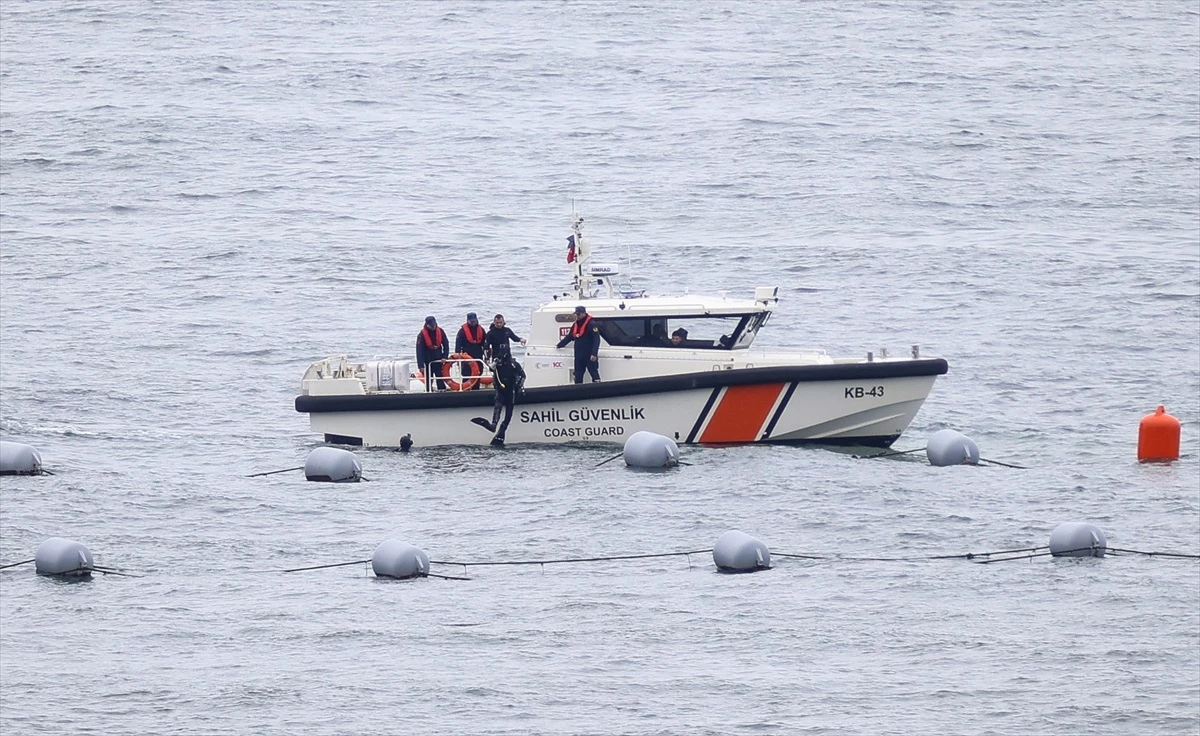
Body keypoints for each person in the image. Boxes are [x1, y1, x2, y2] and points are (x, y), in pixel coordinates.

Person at [470, 351, 525, 446]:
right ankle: (495, 427)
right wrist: (518, 386)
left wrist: (518, 386)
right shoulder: (503, 364)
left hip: (507, 390)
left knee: (503, 410)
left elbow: (522, 376)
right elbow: (523, 376)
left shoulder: (511, 364)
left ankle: (498, 428)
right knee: (503, 410)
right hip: (505, 390)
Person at [556, 305, 601, 383]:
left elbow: (596, 340)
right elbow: (570, 336)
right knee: (578, 374)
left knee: (594, 373)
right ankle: (578, 390)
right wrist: (559, 345)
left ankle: (598, 388)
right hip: (579, 354)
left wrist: (594, 353)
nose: (577, 316)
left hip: (589, 354)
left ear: (584, 313)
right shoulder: (576, 324)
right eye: (576, 314)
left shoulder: (592, 324)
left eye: (579, 314)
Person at [415, 316, 448, 385]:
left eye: (434, 325)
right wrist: (420, 366)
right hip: (427, 361)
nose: (433, 327)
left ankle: (442, 390)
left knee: (440, 378)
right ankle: (428, 391)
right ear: (427, 325)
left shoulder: (441, 331)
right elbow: (419, 351)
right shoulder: (421, 335)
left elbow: (446, 344)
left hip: (439, 360)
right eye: (431, 326)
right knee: (428, 379)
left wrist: (445, 356)